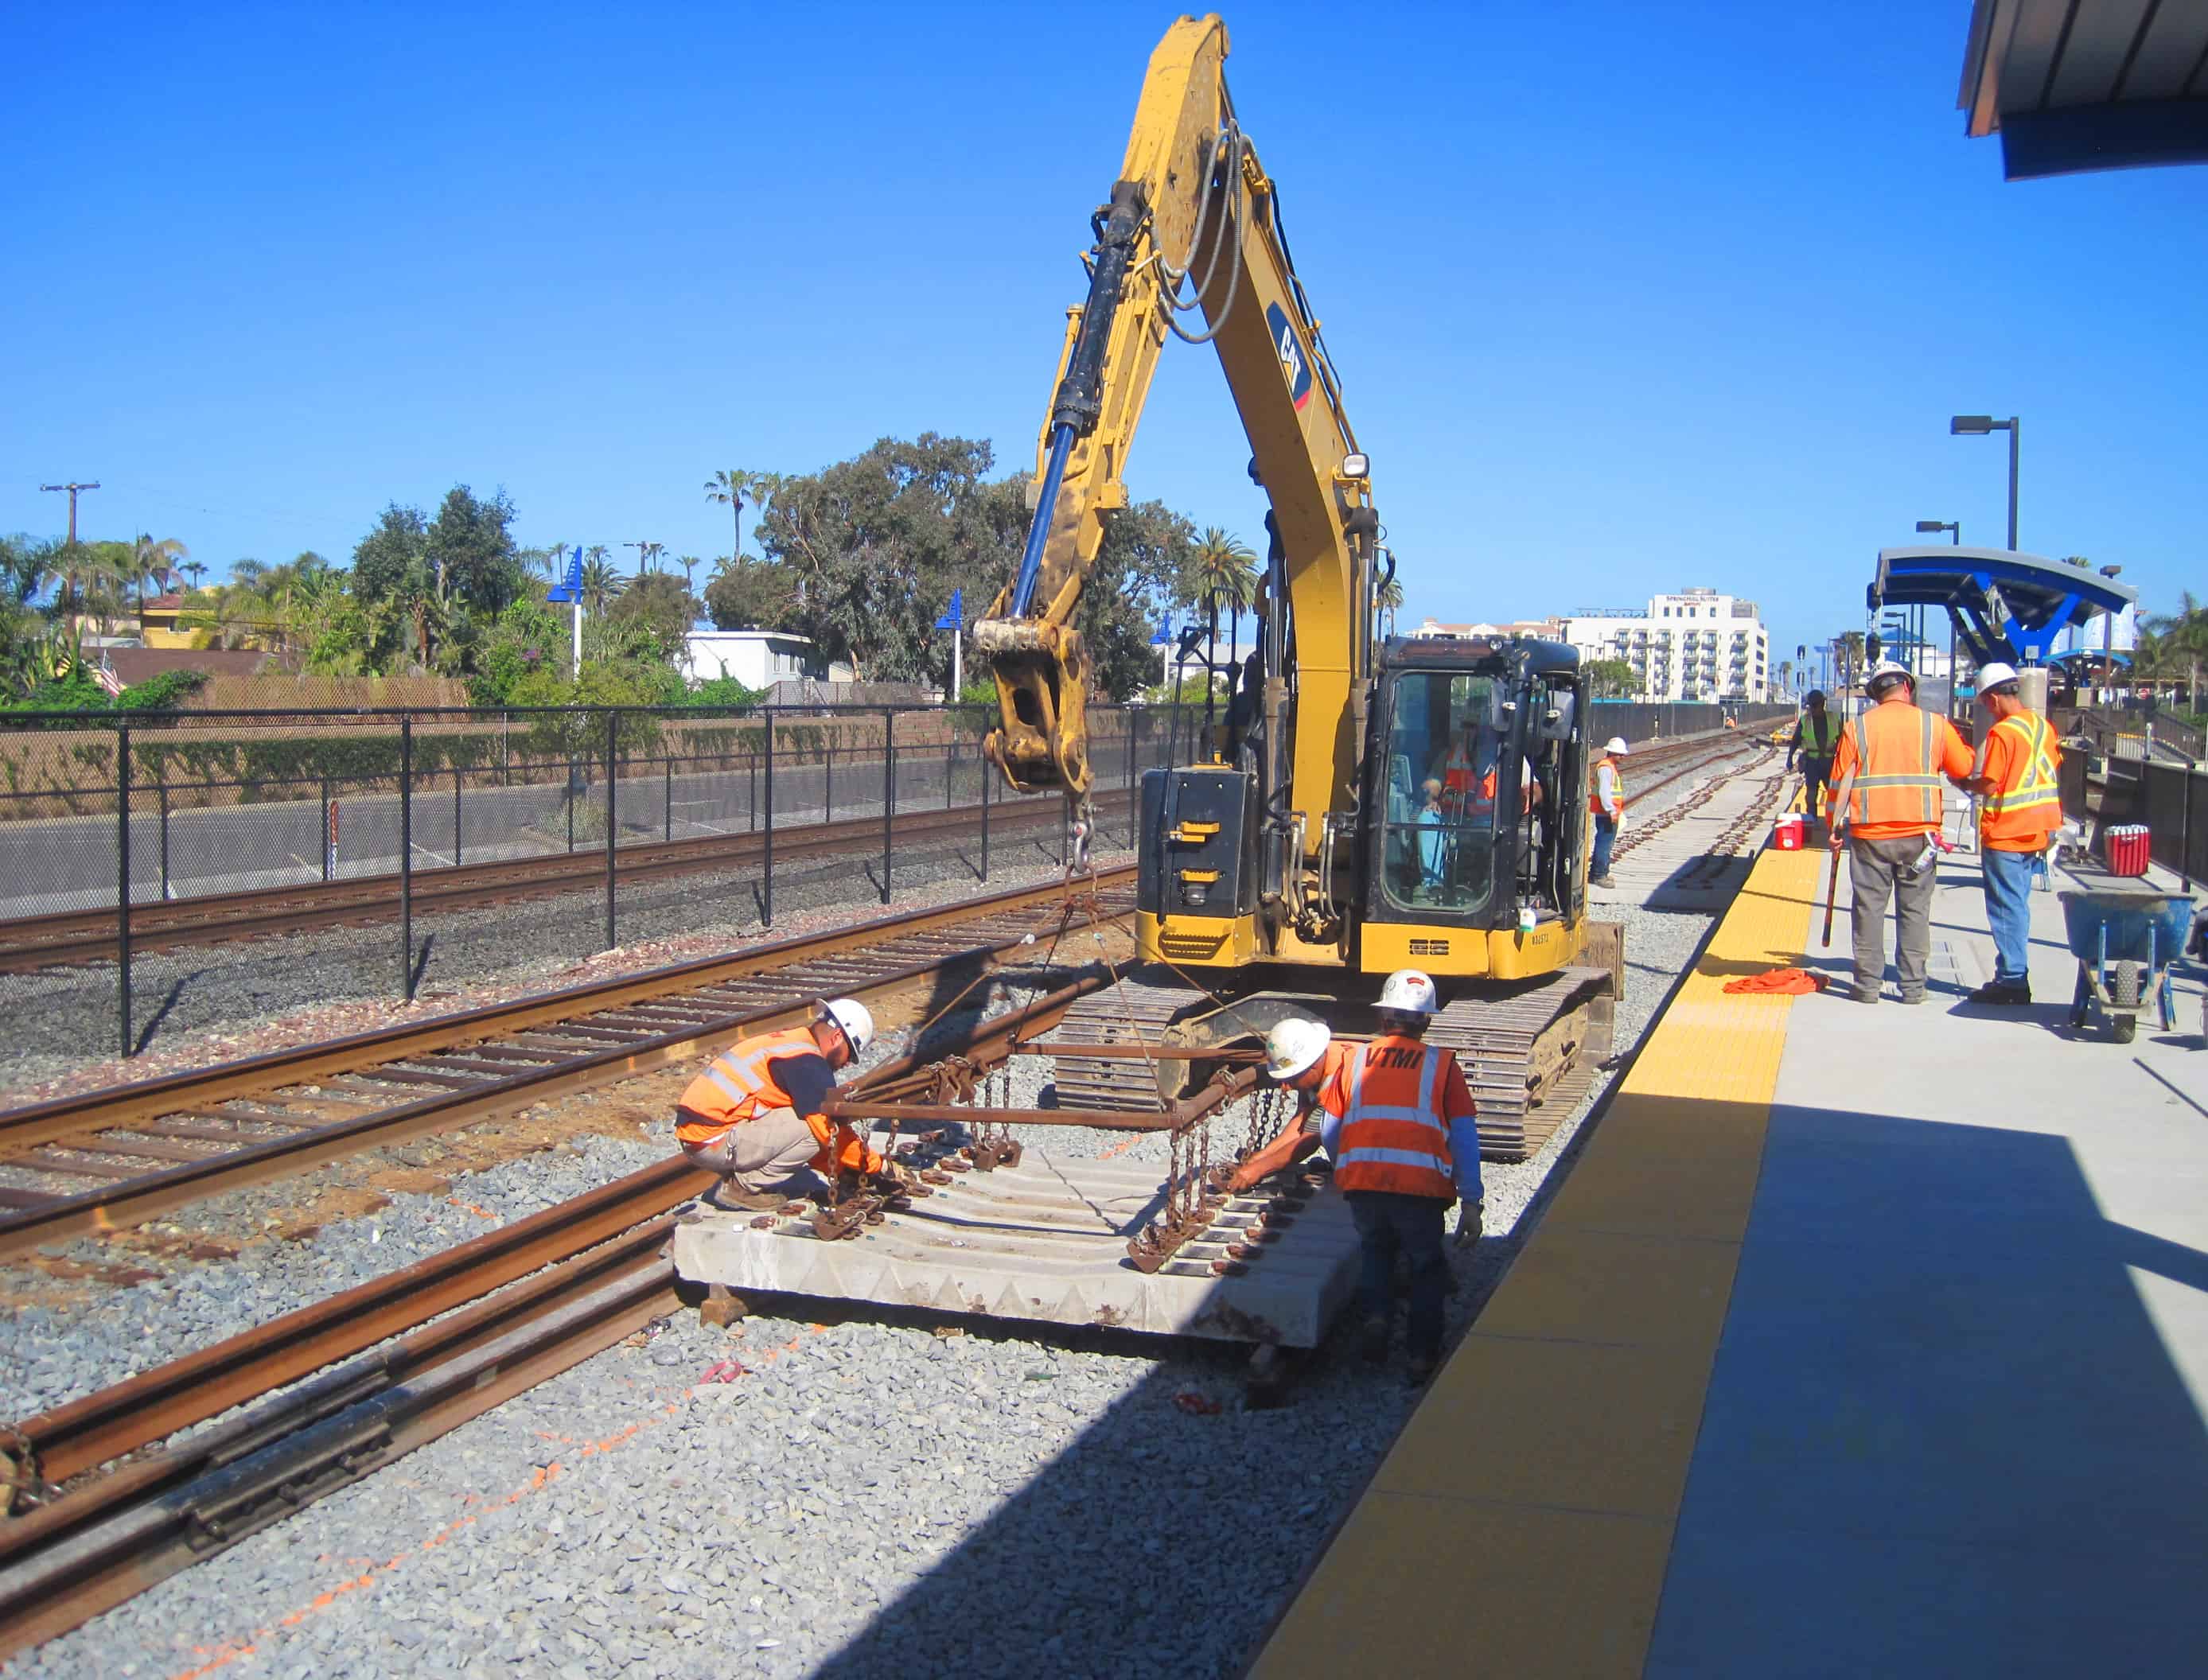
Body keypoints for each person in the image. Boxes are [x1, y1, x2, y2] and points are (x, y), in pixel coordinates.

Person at [1330, 970, 1482, 1386]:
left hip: (1363, 1185)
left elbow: (1329, 1128)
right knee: (1426, 1266)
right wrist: (1472, 1202)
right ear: (1427, 1021)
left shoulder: (1353, 1060)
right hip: (1421, 1190)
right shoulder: (1443, 1067)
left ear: (1383, 1018)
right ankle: (1419, 1357)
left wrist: (1345, 1171)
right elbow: (1465, 1139)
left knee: (1376, 1251)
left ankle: (1378, 1320)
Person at [1826, 662, 1974, 1005]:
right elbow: (1964, 768)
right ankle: (1912, 988)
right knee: (1915, 911)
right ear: (1907, 687)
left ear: (1875, 693)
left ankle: (1866, 987)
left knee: (1869, 909)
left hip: (1870, 835)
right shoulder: (1934, 726)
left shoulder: (1857, 728)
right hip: (1920, 837)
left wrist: (1832, 827)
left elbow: (1838, 785)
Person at [674, 998, 891, 1210]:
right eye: (849, 1054)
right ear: (836, 1037)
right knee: (818, 1127)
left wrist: (842, 1171)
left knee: (808, 1120)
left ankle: (740, 1180)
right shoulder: (807, 1062)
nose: (846, 1064)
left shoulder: (793, 1043)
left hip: (701, 1134)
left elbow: (798, 1140)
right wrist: (879, 1165)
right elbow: (827, 1133)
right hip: (713, 1141)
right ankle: (741, 1188)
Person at [1962, 662, 2062, 1005]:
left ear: (1993, 698)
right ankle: (2013, 971)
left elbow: (1990, 782)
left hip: (2007, 830)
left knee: (2006, 908)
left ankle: (2012, 980)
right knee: (2017, 905)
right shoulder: (2042, 727)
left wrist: (1964, 782)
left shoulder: (2003, 733)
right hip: (2038, 830)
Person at [1224, 1017, 1351, 1192]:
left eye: (1291, 1079)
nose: (1285, 1087)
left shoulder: (1339, 1076)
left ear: (1312, 1067)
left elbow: (1310, 1139)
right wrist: (1256, 1160)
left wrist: (1257, 1170)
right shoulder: (1322, 1056)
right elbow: (1300, 1123)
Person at [1788, 690, 1839, 830]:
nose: (1814, 709)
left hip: (1829, 762)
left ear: (1822, 704)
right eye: (1812, 706)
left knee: (1834, 793)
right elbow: (1796, 740)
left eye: (1816, 705)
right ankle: (1812, 819)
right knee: (1811, 794)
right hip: (1812, 762)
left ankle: (1835, 820)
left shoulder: (1833, 718)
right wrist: (1789, 758)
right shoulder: (1805, 720)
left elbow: (1842, 740)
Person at [1587, 735, 1628, 885]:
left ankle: (1598, 873)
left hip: (1608, 813)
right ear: (1612, 753)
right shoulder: (1606, 768)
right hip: (1606, 814)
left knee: (1605, 843)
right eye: (1620, 754)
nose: (1623, 756)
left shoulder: (1608, 767)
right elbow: (1605, 793)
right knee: (1604, 844)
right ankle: (1599, 875)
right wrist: (1611, 810)